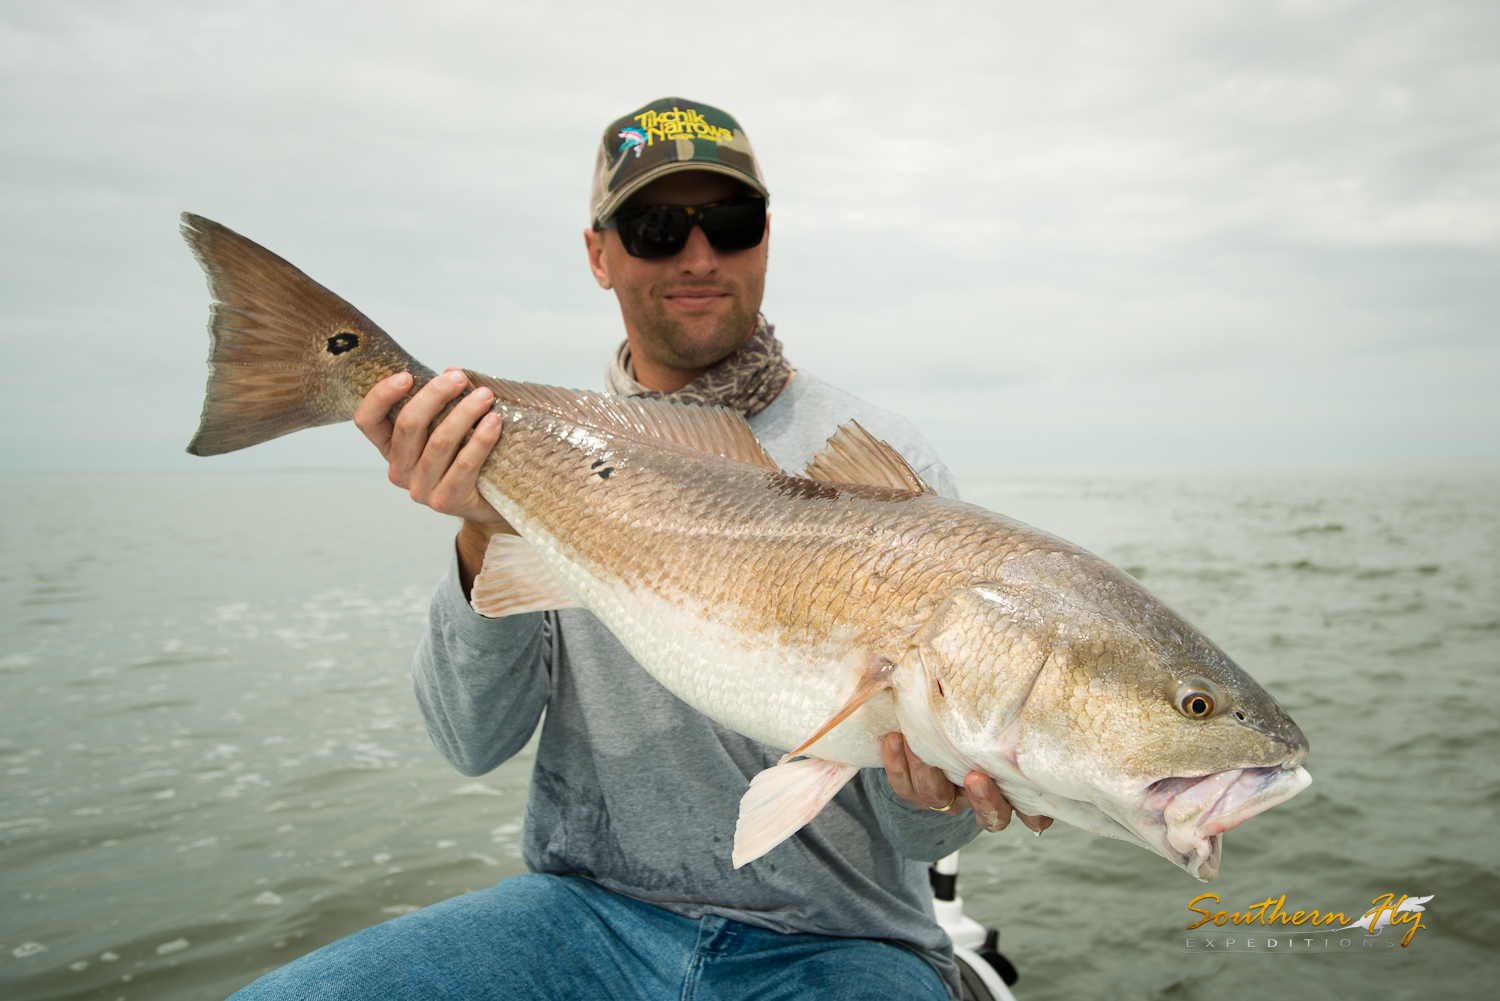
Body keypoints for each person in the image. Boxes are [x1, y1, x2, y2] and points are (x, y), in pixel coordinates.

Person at [230, 97, 1048, 1001]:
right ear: (599, 253)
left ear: (766, 238)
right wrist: (481, 529)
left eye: (727, 223)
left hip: (841, 941)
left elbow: (929, 843)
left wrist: (929, 788)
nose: (697, 256)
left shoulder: (890, 463)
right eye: (657, 227)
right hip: (584, 919)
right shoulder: (532, 460)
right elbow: (470, 741)